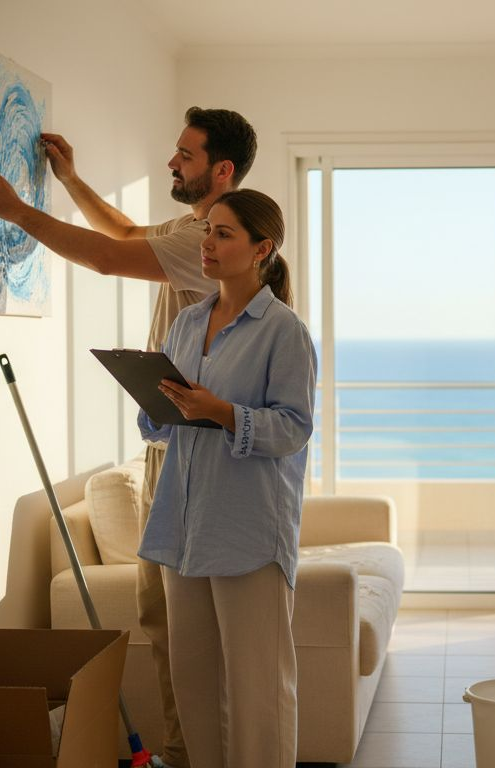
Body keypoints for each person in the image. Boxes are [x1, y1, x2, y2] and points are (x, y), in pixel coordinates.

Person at [0, 106, 259, 768]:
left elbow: (106, 257)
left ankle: (197, 756)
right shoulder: (191, 227)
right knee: (163, 621)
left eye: (184, 155)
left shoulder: (210, 241)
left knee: (186, 629)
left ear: (220, 170)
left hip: (194, 458)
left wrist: (16, 210)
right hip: (168, 451)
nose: (170, 163)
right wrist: (69, 179)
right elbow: (123, 228)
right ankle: (187, 754)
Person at [136, 189, 315, 768]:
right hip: (184, 529)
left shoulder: (283, 332)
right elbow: (161, 427)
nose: (207, 243)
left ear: (261, 249)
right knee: (194, 686)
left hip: (248, 532)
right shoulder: (188, 322)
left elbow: (292, 429)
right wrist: (156, 401)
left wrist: (217, 411)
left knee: (258, 691)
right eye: (208, 230)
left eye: (224, 234)